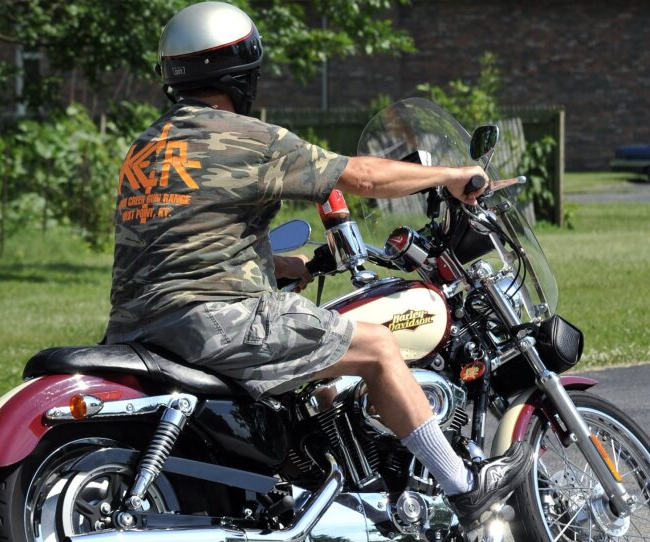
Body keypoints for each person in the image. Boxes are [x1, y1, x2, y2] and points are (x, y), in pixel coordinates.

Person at [105, 1, 530, 526]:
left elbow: (181, 236)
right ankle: (466, 488)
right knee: (376, 345)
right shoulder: (251, 137)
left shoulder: (145, 147)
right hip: (212, 321)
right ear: (243, 74)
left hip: (139, 325)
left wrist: (284, 265)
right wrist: (450, 176)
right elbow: (365, 179)